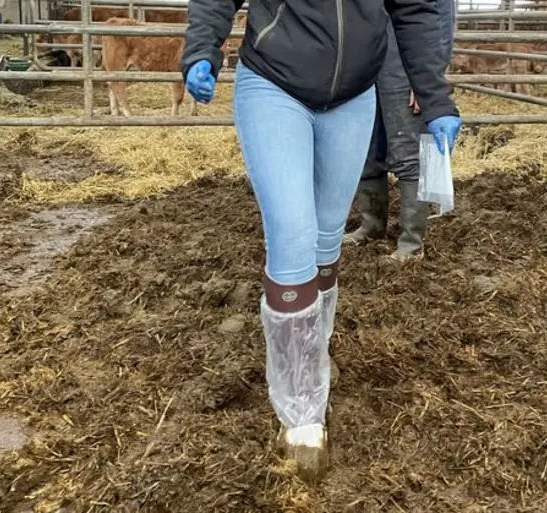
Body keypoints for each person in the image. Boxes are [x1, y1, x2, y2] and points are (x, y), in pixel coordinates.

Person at [181, 0, 462, 484]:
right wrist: (200, 51)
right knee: (292, 235)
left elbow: (414, 9)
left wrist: (434, 98)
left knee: (326, 238)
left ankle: (312, 351)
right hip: (273, 83)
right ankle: (301, 413)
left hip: (353, 96)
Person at [344, 0, 456, 260]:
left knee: (407, 147)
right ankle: (371, 226)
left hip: (404, 57)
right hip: (364, 56)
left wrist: (428, 80)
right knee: (367, 146)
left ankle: (411, 242)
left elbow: (438, 16)